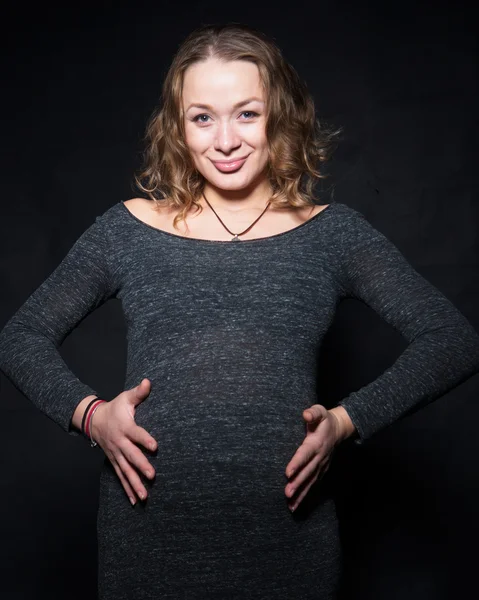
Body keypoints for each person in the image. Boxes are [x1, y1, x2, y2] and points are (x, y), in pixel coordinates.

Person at [1, 22, 479, 600]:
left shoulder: (333, 236)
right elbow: (20, 336)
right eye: (202, 117)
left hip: (288, 551)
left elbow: (452, 339)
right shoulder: (127, 231)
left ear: (281, 114)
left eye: (246, 113)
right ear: (178, 128)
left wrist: (347, 421)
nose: (224, 139)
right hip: (148, 550)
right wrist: (91, 415)